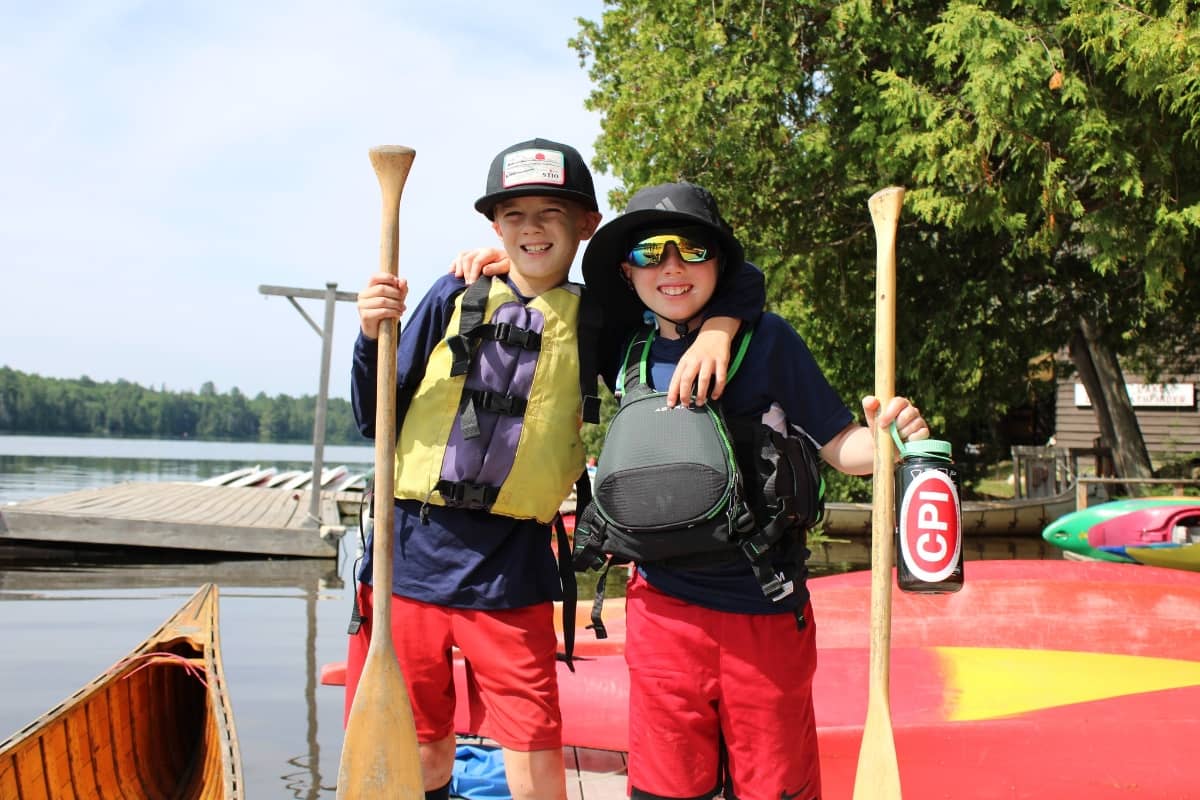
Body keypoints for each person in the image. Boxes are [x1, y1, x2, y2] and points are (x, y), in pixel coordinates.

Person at [345, 139, 766, 800]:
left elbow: (734, 278)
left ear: (586, 226)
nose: (532, 228)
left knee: (535, 758)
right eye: (514, 215)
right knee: (421, 754)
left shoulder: (599, 317)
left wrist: (717, 330)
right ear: (494, 226)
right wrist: (369, 337)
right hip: (408, 563)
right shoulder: (451, 292)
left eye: (552, 212)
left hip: (511, 573)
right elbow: (376, 419)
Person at [577, 181, 930, 800]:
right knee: (665, 790)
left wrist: (893, 440)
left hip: (763, 612)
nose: (672, 267)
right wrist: (495, 261)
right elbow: (547, 290)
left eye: (691, 249)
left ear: (719, 263)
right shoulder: (619, 346)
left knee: (774, 789)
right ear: (625, 271)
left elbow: (842, 445)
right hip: (660, 614)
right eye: (650, 253)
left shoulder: (769, 341)